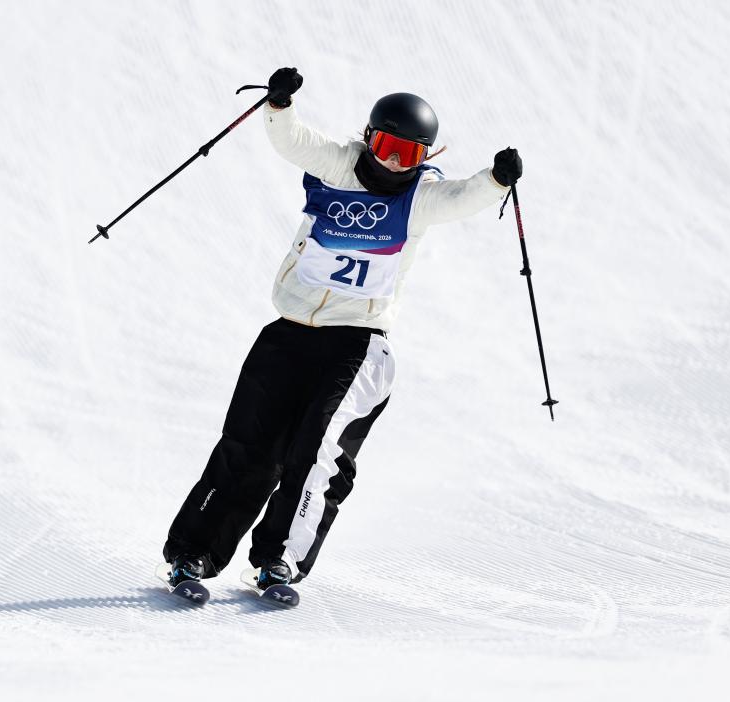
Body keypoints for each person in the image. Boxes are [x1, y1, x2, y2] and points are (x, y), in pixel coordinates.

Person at [161, 67, 522, 591]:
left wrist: (496, 181)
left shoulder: (419, 196)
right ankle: (193, 553)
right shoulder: (339, 166)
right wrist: (279, 105)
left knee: (317, 451)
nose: (393, 162)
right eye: (387, 147)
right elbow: (294, 142)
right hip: (289, 332)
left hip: (356, 344)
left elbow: (461, 197)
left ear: (425, 156)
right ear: (369, 138)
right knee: (249, 446)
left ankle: (279, 558)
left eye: (408, 153)